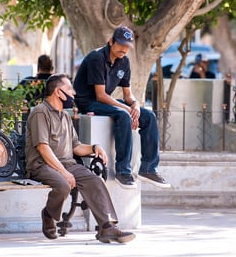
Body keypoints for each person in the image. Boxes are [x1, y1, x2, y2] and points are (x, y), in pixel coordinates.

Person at [25, 73, 136, 243]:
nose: (74, 94)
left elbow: (76, 146)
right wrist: (64, 172)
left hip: (66, 164)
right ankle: (48, 214)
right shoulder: (41, 112)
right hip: (41, 165)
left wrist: (94, 147)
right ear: (58, 92)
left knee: (94, 181)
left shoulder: (65, 116)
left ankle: (107, 227)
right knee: (63, 185)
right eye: (70, 90)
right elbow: (43, 147)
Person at [73, 26, 171, 189]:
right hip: (87, 102)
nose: (124, 49)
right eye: (121, 44)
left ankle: (148, 168)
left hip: (106, 102)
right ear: (111, 42)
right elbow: (101, 95)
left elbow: (127, 95)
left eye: (127, 46)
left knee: (149, 117)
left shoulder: (124, 62)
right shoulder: (97, 58)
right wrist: (127, 110)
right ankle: (123, 171)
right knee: (123, 115)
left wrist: (136, 105)